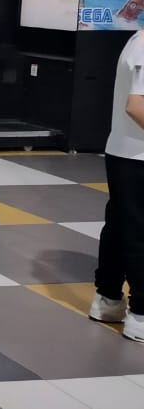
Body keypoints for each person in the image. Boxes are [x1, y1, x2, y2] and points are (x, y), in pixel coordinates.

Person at [87, 28, 144, 342]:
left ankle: (108, 299)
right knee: (136, 233)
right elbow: (136, 106)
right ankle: (141, 313)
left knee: (122, 228)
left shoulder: (137, 41)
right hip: (137, 155)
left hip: (125, 152)